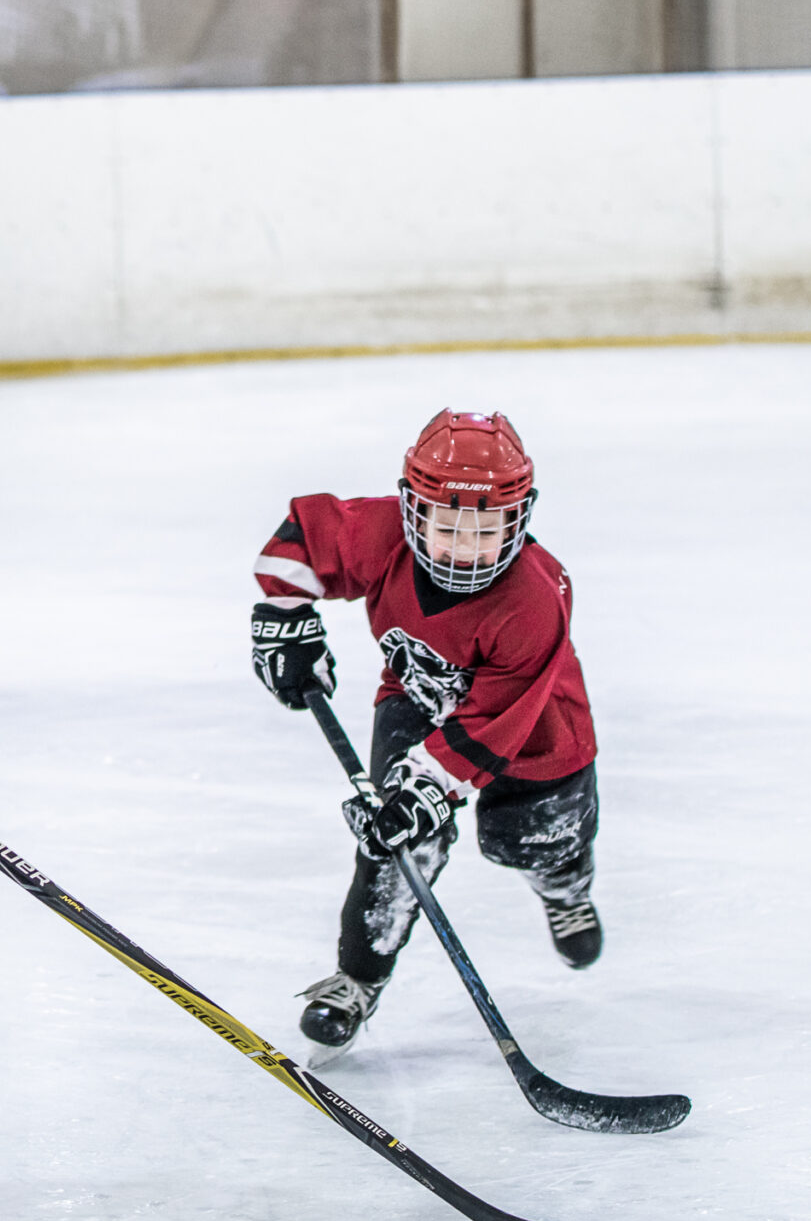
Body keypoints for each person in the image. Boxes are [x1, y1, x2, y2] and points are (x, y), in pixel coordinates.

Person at [246, 410, 602, 1053]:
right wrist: (284, 613)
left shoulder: (532, 600)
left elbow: (498, 718)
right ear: (413, 511)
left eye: (486, 531)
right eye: (446, 527)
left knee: (537, 839)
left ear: (517, 520)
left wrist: (430, 785)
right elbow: (307, 536)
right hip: (418, 696)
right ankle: (357, 978)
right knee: (396, 843)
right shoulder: (383, 534)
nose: (465, 549)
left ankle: (565, 887)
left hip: (533, 726)